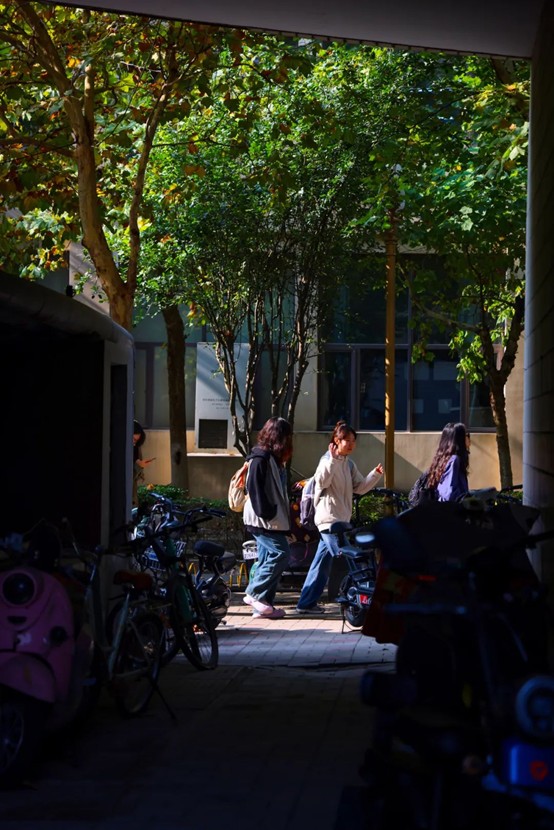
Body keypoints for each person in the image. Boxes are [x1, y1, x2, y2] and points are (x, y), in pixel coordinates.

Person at [295, 420, 384, 615]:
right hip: (329, 521)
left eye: (353, 441)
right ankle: (361, 597)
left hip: (340, 522)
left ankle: (305, 603)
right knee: (348, 557)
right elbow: (322, 482)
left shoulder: (349, 464)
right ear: (337, 441)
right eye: (347, 440)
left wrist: (374, 475)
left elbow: (359, 488)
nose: (351, 444)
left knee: (321, 564)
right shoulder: (326, 460)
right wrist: (332, 461)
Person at [242, 416, 294, 620]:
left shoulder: (270, 458)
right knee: (281, 553)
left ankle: (264, 606)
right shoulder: (260, 458)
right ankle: (254, 593)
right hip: (263, 519)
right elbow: (254, 489)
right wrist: (268, 512)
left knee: (266, 560)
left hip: (268, 518)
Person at [426, 421, 470, 502]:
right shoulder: (454, 460)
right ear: (459, 439)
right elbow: (449, 494)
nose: (469, 439)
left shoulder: (443, 458)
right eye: (466, 435)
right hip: (451, 508)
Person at [132, 420, 155, 506]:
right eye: (133, 440)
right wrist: (138, 465)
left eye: (136, 441)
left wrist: (139, 465)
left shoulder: (136, 448)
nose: (134, 444)